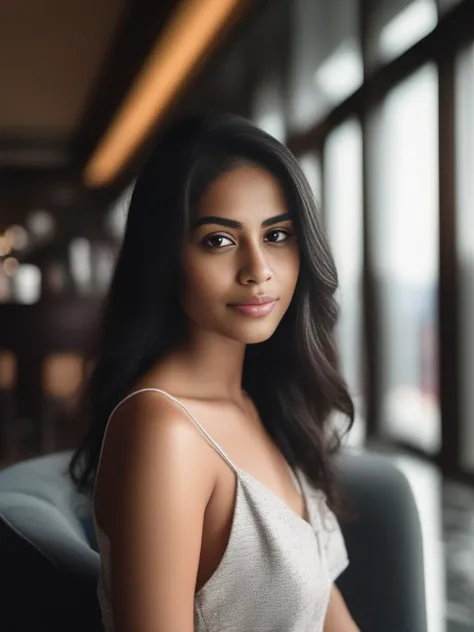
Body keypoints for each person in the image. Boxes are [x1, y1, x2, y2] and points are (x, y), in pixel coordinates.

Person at [68, 113, 360, 631]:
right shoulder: (163, 431)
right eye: (219, 241)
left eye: (277, 235)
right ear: (165, 256)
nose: (258, 269)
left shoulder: (258, 403)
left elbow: (324, 614)